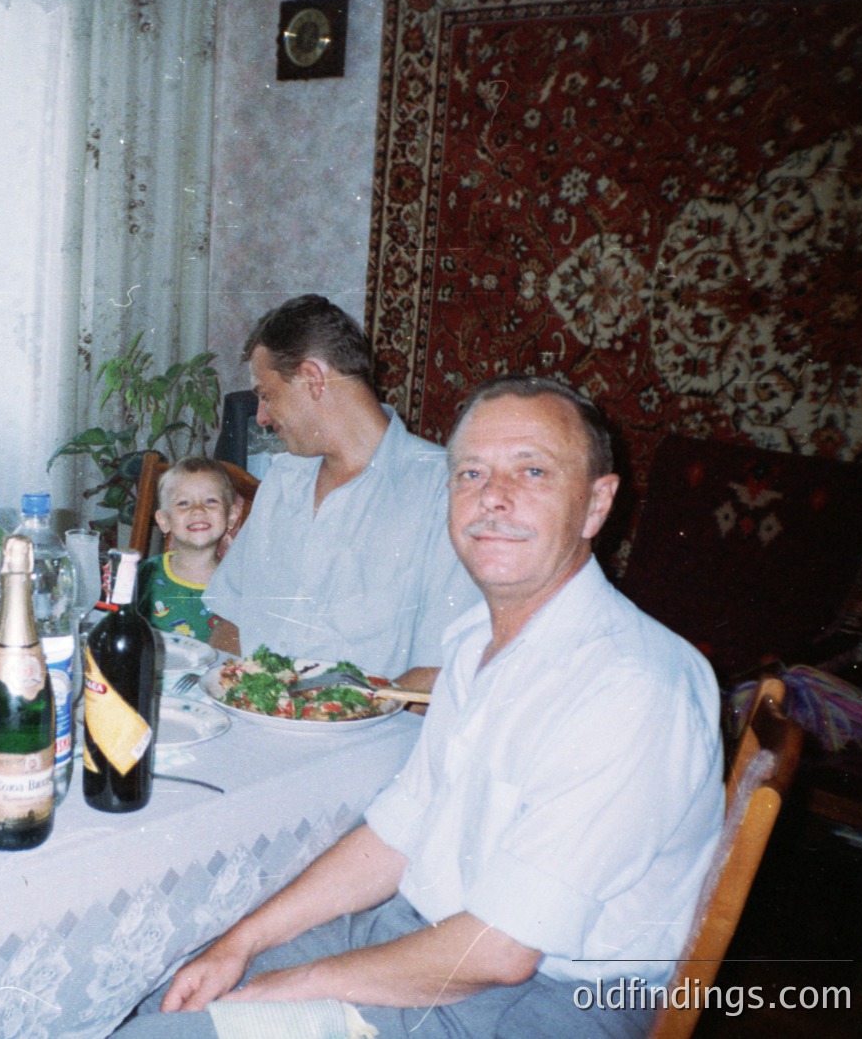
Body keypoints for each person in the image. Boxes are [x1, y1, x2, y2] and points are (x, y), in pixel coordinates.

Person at [117, 375, 724, 1038]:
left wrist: (286, 988)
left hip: (542, 998)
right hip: (426, 937)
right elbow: (395, 832)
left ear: (595, 505)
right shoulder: (472, 643)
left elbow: (500, 950)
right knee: (161, 995)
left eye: (532, 470)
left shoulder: (630, 686)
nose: (493, 497)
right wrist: (238, 943)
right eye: (469, 472)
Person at [203, 295, 476, 687]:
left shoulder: (444, 492)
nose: (261, 418)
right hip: (252, 724)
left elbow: (440, 673)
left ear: (313, 378)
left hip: (367, 736)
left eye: (267, 395)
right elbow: (232, 620)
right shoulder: (284, 479)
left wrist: (318, 716)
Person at [138, 457, 241, 639]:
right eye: (184, 503)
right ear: (164, 520)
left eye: (210, 501)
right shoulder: (145, 574)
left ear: (231, 516)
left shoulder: (238, 585)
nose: (198, 510)